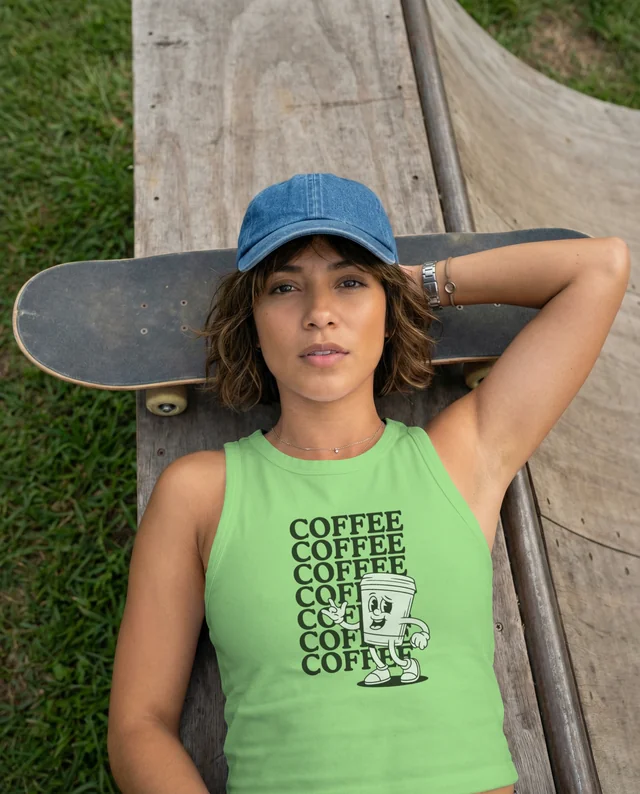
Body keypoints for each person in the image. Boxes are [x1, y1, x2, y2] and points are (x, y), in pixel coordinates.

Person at [107, 173, 630, 794]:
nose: (319, 313)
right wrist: (365, 287)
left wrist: (417, 284)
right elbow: (138, 726)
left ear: (388, 312)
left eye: (350, 282)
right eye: (284, 287)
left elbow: (600, 267)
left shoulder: (461, 457)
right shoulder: (200, 493)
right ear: (252, 322)